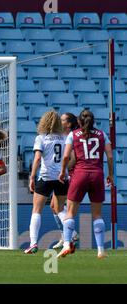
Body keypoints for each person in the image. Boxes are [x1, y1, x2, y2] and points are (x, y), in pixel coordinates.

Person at [57, 110, 113, 259]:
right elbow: (110, 156)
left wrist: (63, 171)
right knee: (97, 214)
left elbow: (66, 156)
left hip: (80, 174)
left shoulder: (73, 135)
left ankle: (67, 244)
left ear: (79, 122)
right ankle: (101, 250)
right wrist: (111, 174)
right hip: (97, 174)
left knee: (70, 212)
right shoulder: (102, 134)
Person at [24, 110, 68, 254]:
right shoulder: (64, 138)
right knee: (61, 209)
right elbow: (70, 157)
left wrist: (32, 177)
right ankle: (70, 236)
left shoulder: (41, 138)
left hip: (46, 176)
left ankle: (33, 243)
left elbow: (37, 158)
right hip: (62, 177)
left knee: (36, 210)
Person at [50, 112, 79, 249]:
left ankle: (71, 233)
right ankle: (64, 235)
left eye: (62, 120)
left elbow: (72, 159)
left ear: (68, 124)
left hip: (68, 175)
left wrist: (62, 170)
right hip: (62, 174)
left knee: (58, 206)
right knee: (53, 206)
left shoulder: (71, 137)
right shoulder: (62, 136)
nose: (59, 122)